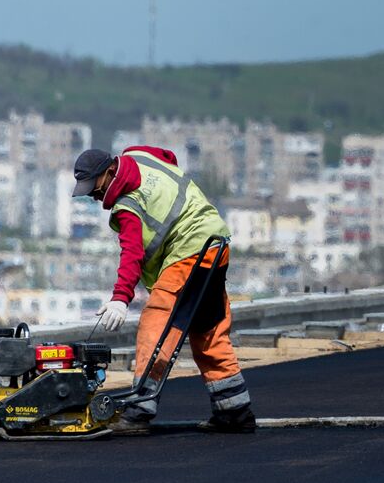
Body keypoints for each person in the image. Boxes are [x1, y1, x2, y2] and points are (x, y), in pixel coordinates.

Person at [72, 146, 255, 434]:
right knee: (207, 331)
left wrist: (120, 299)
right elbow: (169, 157)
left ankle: (139, 410)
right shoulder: (137, 155)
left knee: (156, 325)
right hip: (216, 242)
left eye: (93, 187)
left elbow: (132, 253)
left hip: (189, 251)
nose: (93, 195)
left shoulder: (127, 206)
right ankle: (235, 411)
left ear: (108, 172)